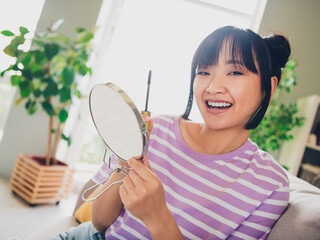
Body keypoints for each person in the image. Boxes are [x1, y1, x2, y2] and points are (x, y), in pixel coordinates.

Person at [54, 25, 291, 240]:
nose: (212, 87)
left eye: (235, 72)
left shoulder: (271, 184)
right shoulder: (156, 129)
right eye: (204, 72)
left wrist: (157, 216)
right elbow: (101, 223)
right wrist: (126, 158)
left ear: (268, 88)